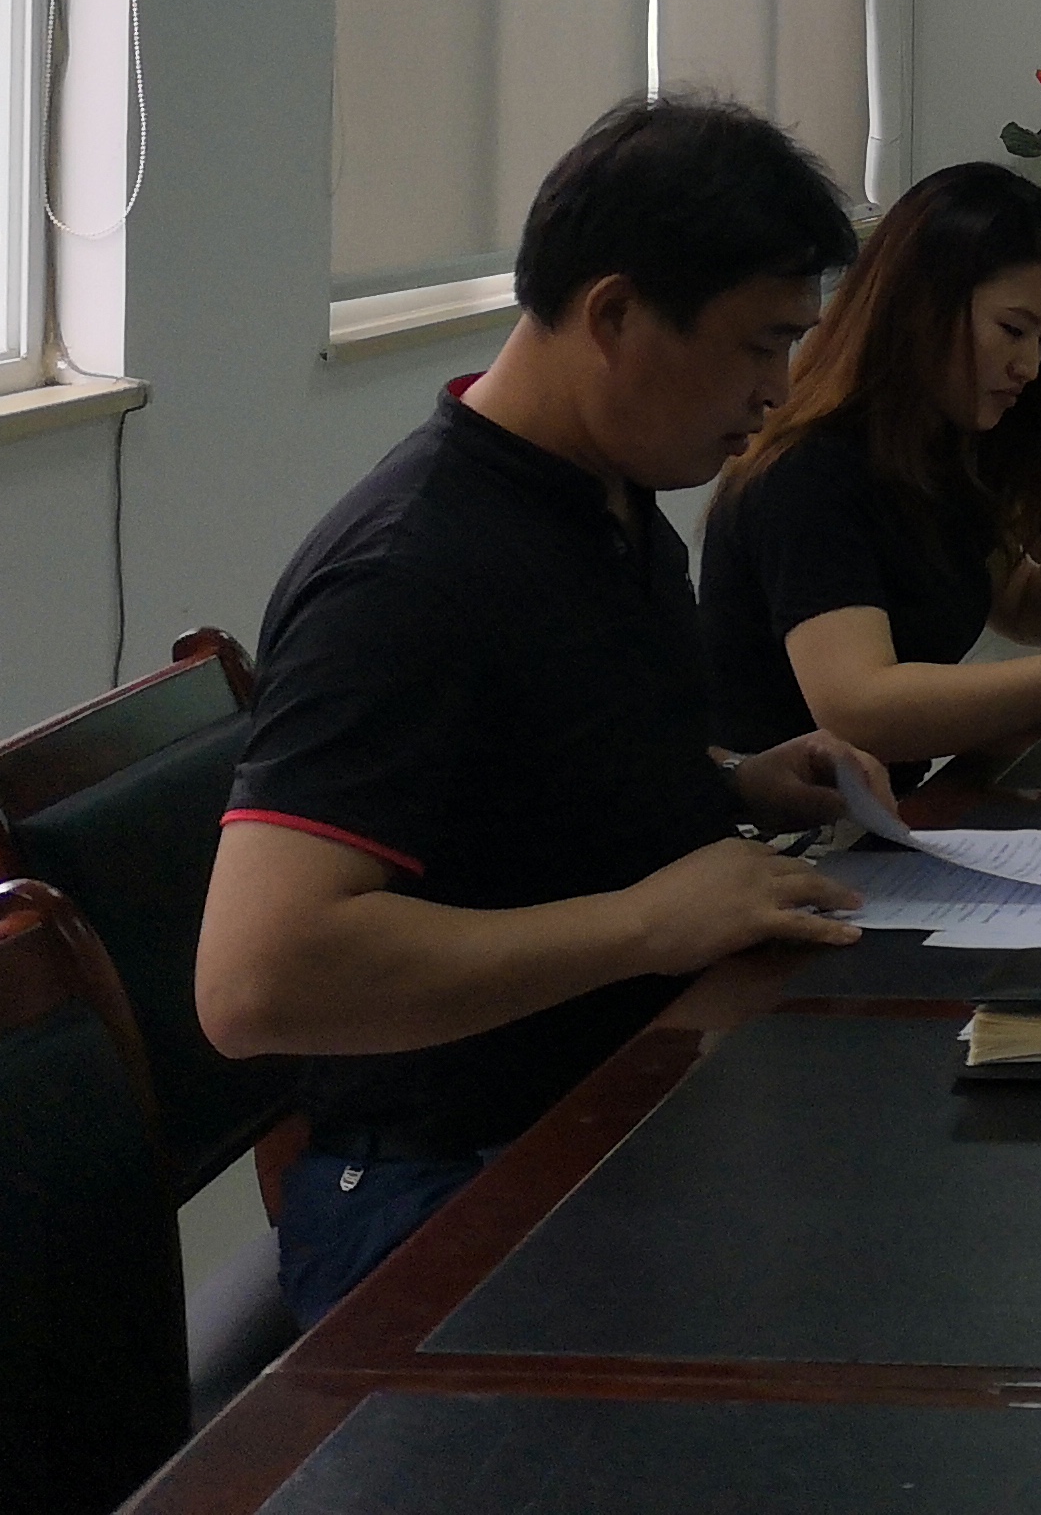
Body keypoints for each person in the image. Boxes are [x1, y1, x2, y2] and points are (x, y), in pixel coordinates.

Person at [198, 96, 891, 1326]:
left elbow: (518, 777)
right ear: (614, 316)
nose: (777, 391)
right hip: (440, 1188)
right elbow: (259, 979)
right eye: (757, 347)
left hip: (618, 1094)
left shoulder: (607, 500)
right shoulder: (410, 572)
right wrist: (643, 924)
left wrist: (732, 780)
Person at [703, 161, 1041, 763]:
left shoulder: (942, 442)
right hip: (793, 814)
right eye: (1013, 330)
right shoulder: (810, 474)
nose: (1030, 366)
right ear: (921, 308)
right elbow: (859, 709)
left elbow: (1017, 597)